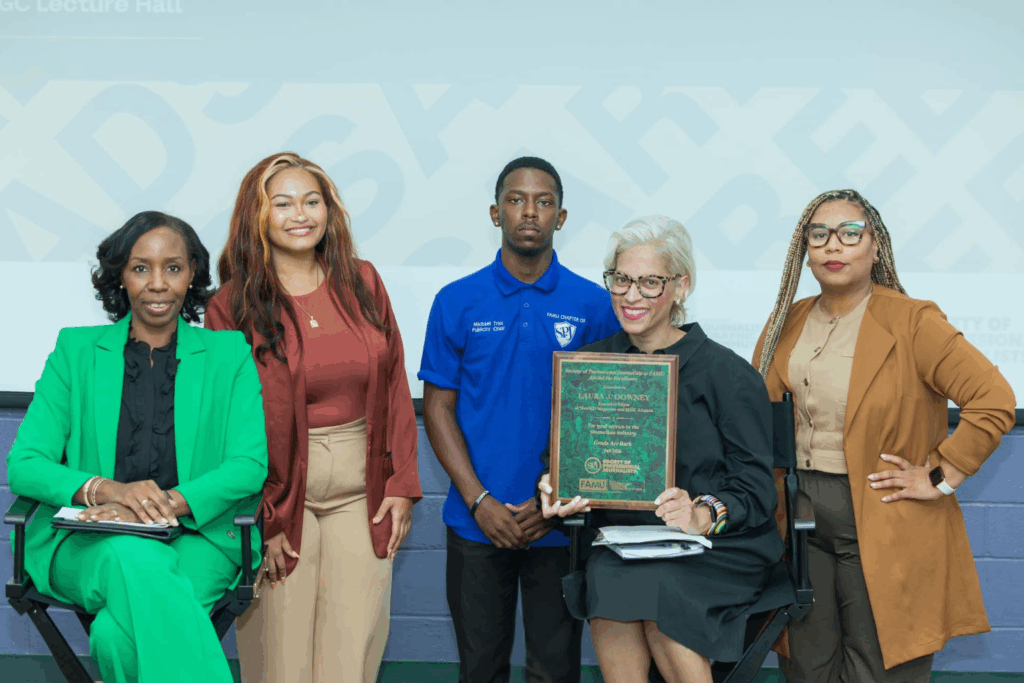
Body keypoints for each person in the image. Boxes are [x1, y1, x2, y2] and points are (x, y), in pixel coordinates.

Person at [751, 189, 1016, 682]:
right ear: (805, 250)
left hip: (883, 515)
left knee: (879, 666)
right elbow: (757, 416)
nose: (833, 245)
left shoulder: (913, 321)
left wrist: (940, 475)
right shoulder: (786, 320)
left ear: (876, 247)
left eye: (850, 233)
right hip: (798, 518)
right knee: (805, 664)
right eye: (819, 234)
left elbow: (993, 397)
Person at [6, 211, 268, 683]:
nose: (158, 284)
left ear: (192, 274)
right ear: (121, 276)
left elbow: (249, 465)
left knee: (114, 637)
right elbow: (25, 464)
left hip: (198, 537)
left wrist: (158, 506)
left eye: (173, 268)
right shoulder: (75, 351)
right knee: (134, 555)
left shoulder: (229, 355)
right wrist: (110, 492)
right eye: (141, 268)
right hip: (89, 540)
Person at [205, 151, 421, 683]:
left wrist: (401, 483)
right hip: (278, 496)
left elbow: (395, 383)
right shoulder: (231, 306)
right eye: (282, 204)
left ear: (329, 210)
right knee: (282, 663)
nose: (300, 215)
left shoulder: (363, 282)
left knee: (350, 659)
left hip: (362, 491)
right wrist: (260, 519)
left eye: (311, 201)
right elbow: (226, 424)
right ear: (257, 216)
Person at [538, 215, 783, 683]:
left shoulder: (727, 374)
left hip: (718, 546)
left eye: (650, 282)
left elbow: (755, 487)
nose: (631, 296)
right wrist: (553, 486)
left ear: (681, 286)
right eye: (621, 280)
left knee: (660, 588)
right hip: (624, 543)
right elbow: (559, 461)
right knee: (608, 575)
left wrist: (702, 514)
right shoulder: (590, 366)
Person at [419, 156, 620, 683]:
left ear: (561, 216)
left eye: (543, 201)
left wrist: (552, 502)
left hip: (559, 524)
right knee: (480, 669)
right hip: (476, 522)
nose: (529, 212)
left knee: (554, 671)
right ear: (495, 213)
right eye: (516, 199)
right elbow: (437, 407)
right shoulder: (456, 301)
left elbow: (603, 417)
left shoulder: (594, 304)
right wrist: (479, 501)